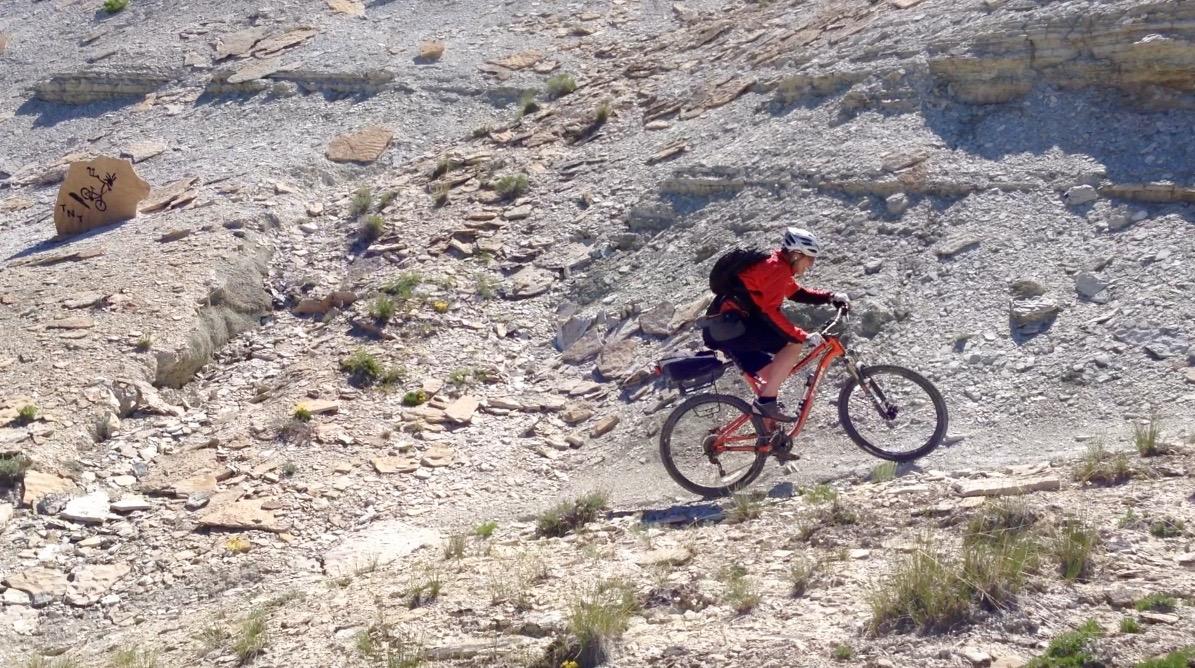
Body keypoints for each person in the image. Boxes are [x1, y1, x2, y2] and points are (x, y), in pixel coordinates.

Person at [703, 227, 849, 422]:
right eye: (810, 259)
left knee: (770, 379)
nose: (811, 265)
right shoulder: (776, 269)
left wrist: (830, 297)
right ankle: (766, 404)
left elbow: (797, 293)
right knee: (793, 344)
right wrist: (802, 336)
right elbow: (770, 312)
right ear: (797, 255)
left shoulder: (776, 266)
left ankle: (769, 439)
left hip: (727, 328)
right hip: (732, 329)